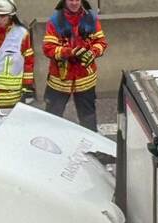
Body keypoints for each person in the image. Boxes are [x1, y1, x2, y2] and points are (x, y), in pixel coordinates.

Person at [42, 0, 107, 131]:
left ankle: (91, 147)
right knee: (52, 118)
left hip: (85, 79)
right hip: (60, 79)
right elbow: (48, 48)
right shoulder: (54, 21)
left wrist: (92, 53)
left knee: (88, 118)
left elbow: (101, 43)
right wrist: (69, 52)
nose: (74, 2)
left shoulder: (91, 19)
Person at [0, 0, 36, 109]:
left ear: (11, 16)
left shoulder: (22, 33)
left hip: (11, 97)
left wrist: (27, 88)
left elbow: (28, 63)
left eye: (3, 16)